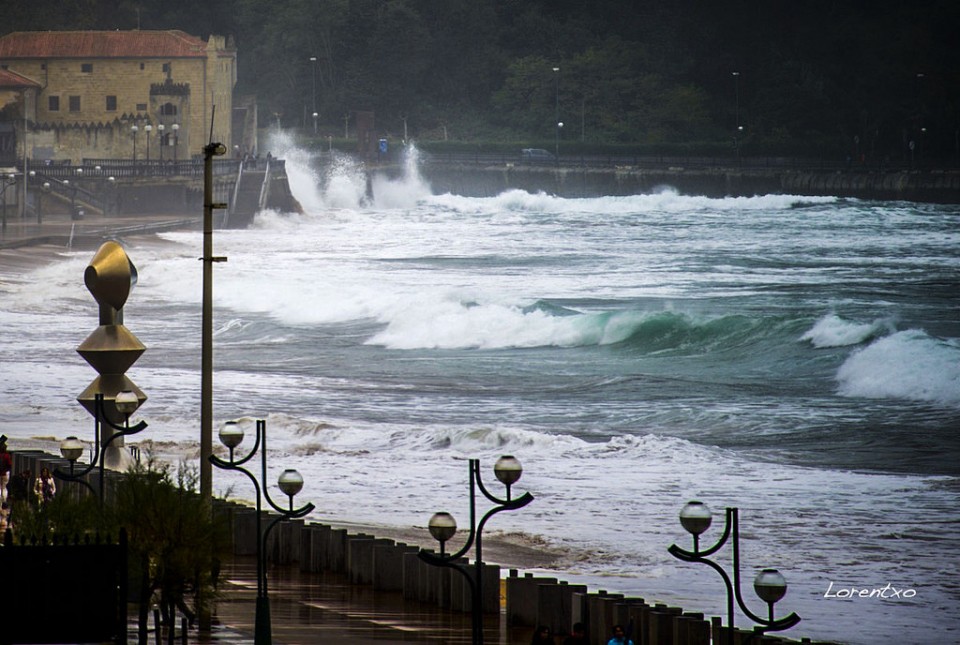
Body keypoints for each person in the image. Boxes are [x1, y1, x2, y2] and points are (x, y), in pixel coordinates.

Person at [0, 435, 11, 502]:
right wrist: (6, 470)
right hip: (5, 473)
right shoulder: (7, 455)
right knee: (4, 488)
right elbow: (10, 465)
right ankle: (4, 501)